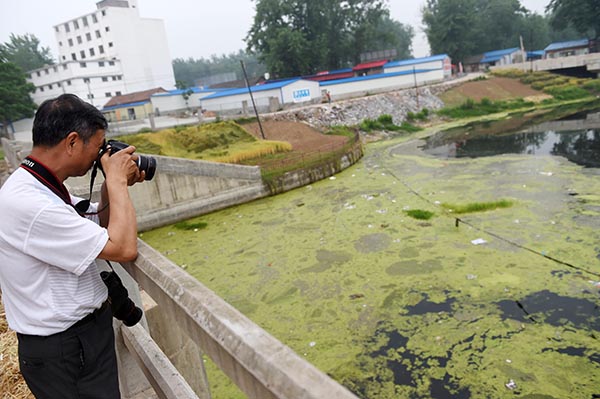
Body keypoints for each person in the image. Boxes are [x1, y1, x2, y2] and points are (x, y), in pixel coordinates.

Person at [0, 94, 145, 398]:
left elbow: (95, 220)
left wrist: (109, 185)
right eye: (99, 145)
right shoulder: (30, 203)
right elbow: (122, 248)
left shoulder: (39, 185)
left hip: (77, 341)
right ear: (72, 142)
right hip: (65, 350)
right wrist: (117, 182)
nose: (100, 154)